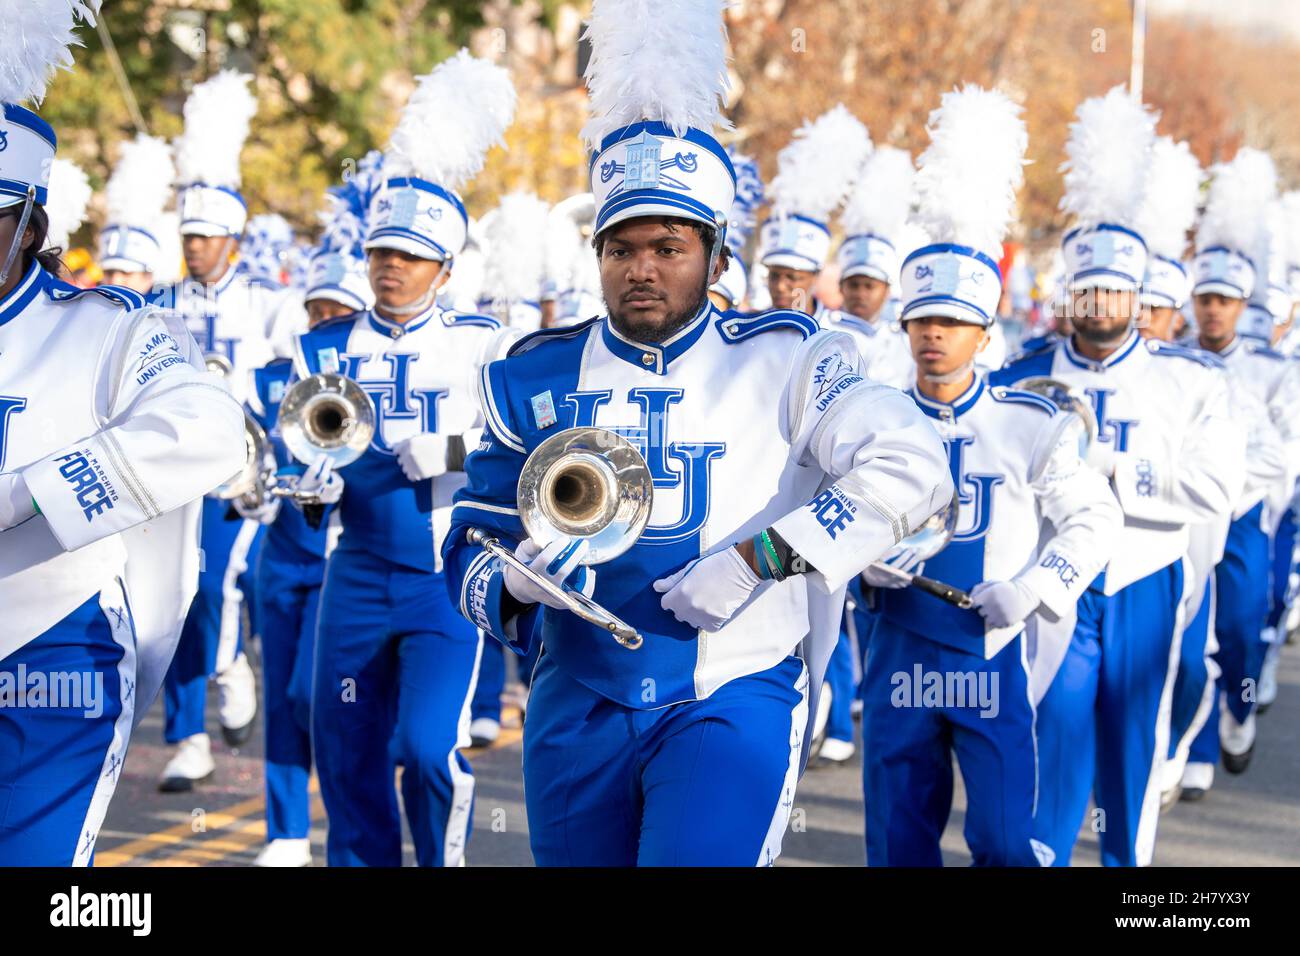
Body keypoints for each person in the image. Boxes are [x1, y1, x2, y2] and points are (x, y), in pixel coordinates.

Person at [443, 0, 952, 867]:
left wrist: (764, 557)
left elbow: (913, 465)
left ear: (717, 259)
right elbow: (466, 545)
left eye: (668, 246)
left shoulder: (788, 356)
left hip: (732, 689)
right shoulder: (527, 372)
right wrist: (519, 585)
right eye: (620, 247)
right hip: (575, 698)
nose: (641, 267)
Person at [0, 0, 245, 864]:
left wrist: (29, 494)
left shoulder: (105, 328)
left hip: (49, 648)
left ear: (31, 226)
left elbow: (211, 431)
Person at [859, 85, 1121, 866]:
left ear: (986, 331)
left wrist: (1035, 587)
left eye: (952, 324)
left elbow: (1094, 521)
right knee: (897, 844)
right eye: (921, 321)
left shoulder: (1029, 420)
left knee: (1009, 843)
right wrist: (851, 559)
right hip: (897, 648)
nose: (933, 336)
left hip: (994, 652)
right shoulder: (869, 417)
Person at [990, 88, 1244, 867]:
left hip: (1144, 573)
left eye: (1115, 290)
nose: (1099, 302)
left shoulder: (1190, 381)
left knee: (1132, 752)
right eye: (1087, 288)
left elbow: (1214, 488)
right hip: (1057, 575)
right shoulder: (1021, 374)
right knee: (1052, 740)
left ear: (1138, 298)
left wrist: (1115, 467)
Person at [289, 50, 519, 867]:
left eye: (410, 257)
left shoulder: (484, 343)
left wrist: (449, 451)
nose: (390, 267)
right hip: (354, 570)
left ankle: (442, 858)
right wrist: (306, 489)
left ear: (447, 268)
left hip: (443, 573)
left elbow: (517, 458)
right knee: (345, 751)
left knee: (425, 747)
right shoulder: (323, 341)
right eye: (382, 253)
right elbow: (304, 449)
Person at [156, 70, 291, 790]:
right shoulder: (160, 300)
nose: (196, 247)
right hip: (171, 467)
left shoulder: (268, 304)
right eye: (188, 236)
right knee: (170, 596)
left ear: (234, 235)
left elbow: (290, 389)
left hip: (238, 471)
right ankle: (187, 738)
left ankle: (232, 664)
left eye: (208, 236)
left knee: (218, 584)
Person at [1181, 150, 1300, 796]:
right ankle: (1195, 746)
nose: (1214, 311)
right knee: (1190, 632)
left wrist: (1230, 484)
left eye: (1225, 300)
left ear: (1242, 302)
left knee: (1237, 630)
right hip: (1184, 516)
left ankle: (1240, 699)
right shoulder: (1172, 362)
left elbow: (1284, 451)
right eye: (1205, 298)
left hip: (1246, 514)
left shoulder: (1271, 368)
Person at [98, 134, 175, 294]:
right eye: (109, 272)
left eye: (126, 273)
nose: (115, 281)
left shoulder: (163, 316)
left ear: (148, 277)